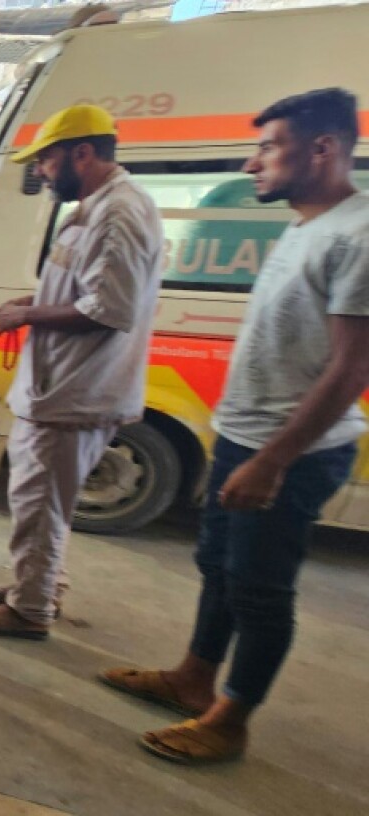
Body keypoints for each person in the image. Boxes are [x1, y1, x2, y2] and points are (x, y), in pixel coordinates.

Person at [101, 88, 369, 765]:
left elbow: (349, 370)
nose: (253, 165)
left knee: (260, 587)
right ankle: (194, 678)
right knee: (219, 566)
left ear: (323, 149)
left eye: (268, 147)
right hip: (246, 436)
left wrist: (273, 461)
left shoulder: (359, 235)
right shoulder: (307, 224)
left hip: (291, 453)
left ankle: (231, 719)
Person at [0, 104, 164, 641]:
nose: (42, 172)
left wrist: (27, 314)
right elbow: (82, 290)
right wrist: (36, 300)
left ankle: (30, 610)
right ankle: (36, 585)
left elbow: (108, 311)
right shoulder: (93, 208)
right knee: (43, 502)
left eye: (46, 161)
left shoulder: (120, 213)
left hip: (73, 393)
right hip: (59, 388)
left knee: (40, 503)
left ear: (82, 153)